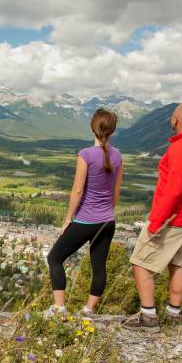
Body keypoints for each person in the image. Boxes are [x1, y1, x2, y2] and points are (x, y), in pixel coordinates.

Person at [122, 101, 182, 333]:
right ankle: (173, 314)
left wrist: (155, 222)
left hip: (173, 219)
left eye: (172, 116)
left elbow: (174, 189)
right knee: (178, 264)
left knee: (140, 263)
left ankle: (148, 317)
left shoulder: (181, 148)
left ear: (176, 119)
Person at [44, 108, 123, 318]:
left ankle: (59, 308)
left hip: (85, 220)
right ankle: (88, 310)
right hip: (107, 221)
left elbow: (77, 190)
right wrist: (107, 212)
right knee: (99, 266)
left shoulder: (85, 154)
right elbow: (116, 191)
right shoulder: (118, 156)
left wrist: (68, 219)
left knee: (54, 258)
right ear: (112, 131)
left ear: (92, 128)